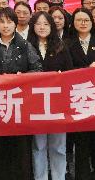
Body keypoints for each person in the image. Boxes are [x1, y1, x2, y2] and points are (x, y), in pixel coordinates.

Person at [0, 7, 41, 179]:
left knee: (20, 145)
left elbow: (38, 69)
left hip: (19, 102)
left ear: (16, 24)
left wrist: (23, 77)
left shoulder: (25, 45)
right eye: (1, 22)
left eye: (9, 22)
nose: (5, 26)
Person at [67, 7, 95, 180]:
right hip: (78, 99)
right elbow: (67, 71)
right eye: (79, 20)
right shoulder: (67, 44)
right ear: (73, 23)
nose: (83, 23)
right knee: (82, 145)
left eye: (86, 20)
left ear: (92, 23)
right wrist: (87, 69)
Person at [27, 11, 72, 180]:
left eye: (46, 24)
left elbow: (70, 72)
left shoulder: (61, 47)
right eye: (38, 24)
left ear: (52, 26)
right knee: (39, 145)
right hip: (35, 103)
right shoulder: (26, 46)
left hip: (57, 102)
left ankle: (59, 176)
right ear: (32, 26)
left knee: (58, 146)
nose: (42, 27)